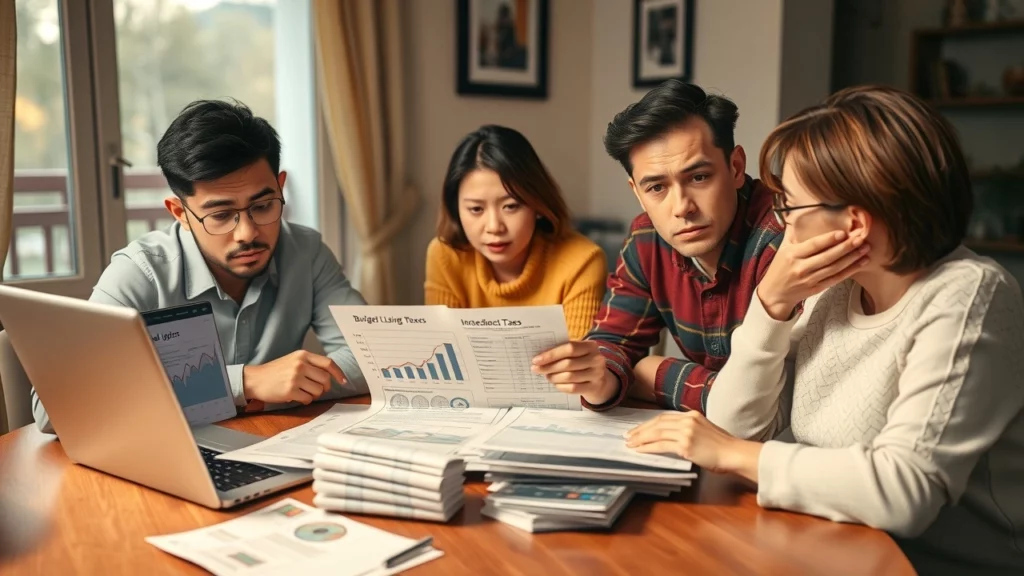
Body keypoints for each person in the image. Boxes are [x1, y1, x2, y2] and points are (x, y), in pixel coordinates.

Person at [624, 86, 1024, 575]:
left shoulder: (968, 295)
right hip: (822, 543)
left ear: (853, 224)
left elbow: (904, 493)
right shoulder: (835, 288)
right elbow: (736, 425)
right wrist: (771, 304)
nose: (780, 228)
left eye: (789, 209)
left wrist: (733, 454)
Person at [31, 100, 368, 433]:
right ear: (180, 213)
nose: (247, 233)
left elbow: (374, 358)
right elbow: (53, 408)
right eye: (221, 216)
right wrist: (245, 384)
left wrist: (268, 397)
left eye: (264, 206)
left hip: (271, 441)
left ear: (280, 187)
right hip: (168, 457)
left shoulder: (305, 252)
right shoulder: (140, 273)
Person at [531, 80, 784, 411]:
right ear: (637, 192)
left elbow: (774, 404)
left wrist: (656, 374)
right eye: (656, 188)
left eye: (698, 178)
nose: (682, 207)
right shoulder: (647, 240)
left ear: (735, 168)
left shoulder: (784, 234)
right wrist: (600, 379)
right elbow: (612, 345)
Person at [424, 125, 606, 340]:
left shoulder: (582, 261)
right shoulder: (445, 256)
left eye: (510, 206)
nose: (494, 227)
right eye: (476, 209)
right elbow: (443, 350)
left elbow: (576, 367)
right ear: (456, 210)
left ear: (537, 204)